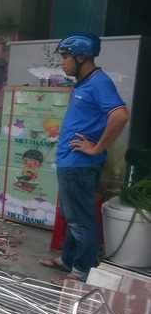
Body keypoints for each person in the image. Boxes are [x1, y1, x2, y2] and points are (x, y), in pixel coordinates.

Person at [39, 33, 129, 286]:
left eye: (66, 57)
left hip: (80, 164)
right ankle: (69, 259)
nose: (62, 62)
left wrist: (97, 147)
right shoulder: (84, 82)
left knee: (82, 219)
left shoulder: (100, 82)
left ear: (81, 57)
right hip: (71, 162)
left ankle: (82, 272)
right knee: (72, 215)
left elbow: (120, 116)